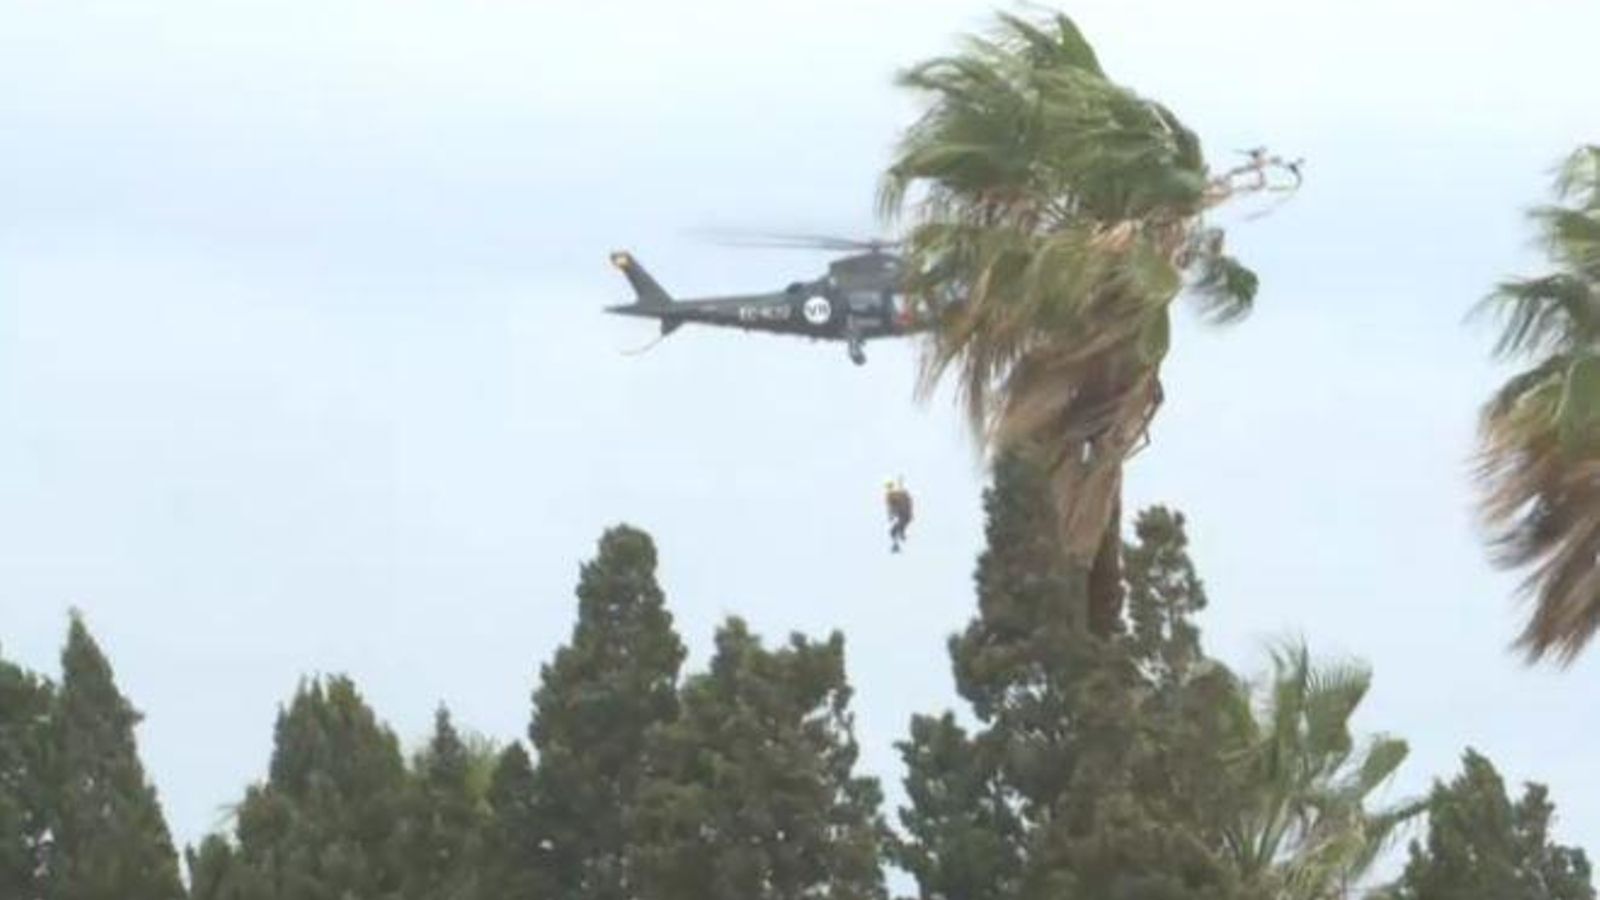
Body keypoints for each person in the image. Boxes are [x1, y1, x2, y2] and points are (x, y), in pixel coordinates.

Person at [885, 478, 913, 553]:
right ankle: (898, 541)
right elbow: (892, 507)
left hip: (904, 515)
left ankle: (897, 543)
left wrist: (891, 515)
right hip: (905, 515)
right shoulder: (899, 494)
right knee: (895, 530)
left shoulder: (892, 495)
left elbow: (891, 507)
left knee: (894, 531)